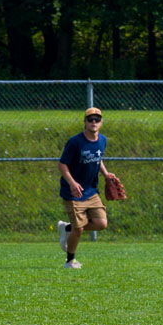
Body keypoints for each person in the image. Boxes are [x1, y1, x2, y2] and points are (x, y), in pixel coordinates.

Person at [55, 106, 114, 269]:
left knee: (101, 223)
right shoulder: (75, 142)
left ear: (101, 122)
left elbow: (98, 158)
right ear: (85, 122)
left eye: (97, 119)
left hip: (91, 191)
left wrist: (106, 174)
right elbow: (62, 164)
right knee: (79, 230)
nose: (93, 122)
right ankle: (69, 261)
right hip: (73, 192)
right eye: (90, 119)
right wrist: (72, 183)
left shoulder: (102, 140)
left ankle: (67, 228)